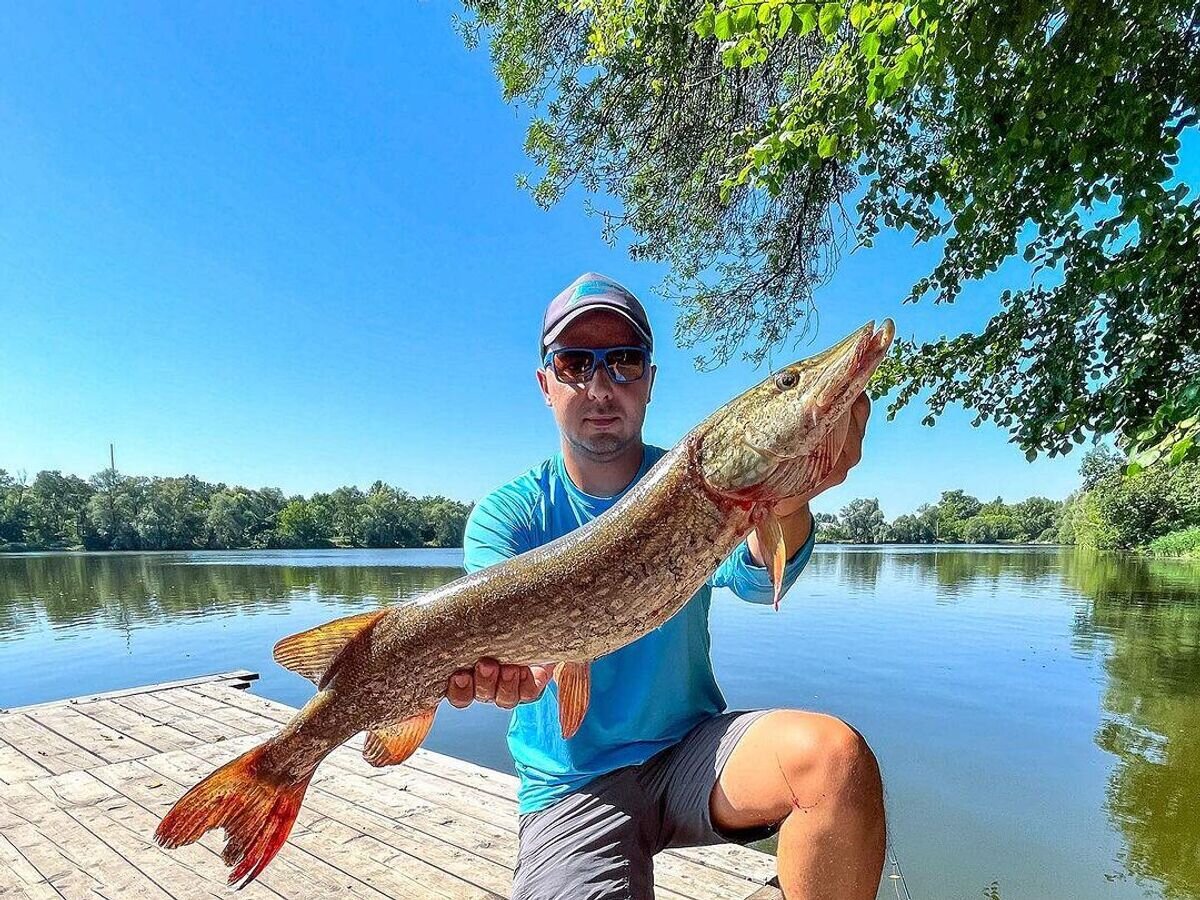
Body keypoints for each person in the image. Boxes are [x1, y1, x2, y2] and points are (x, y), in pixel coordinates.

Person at [449, 273, 885, 900]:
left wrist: (789, 501)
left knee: (834, 763)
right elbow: (494, 652)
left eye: (624, 363)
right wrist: (493, 673)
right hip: (573, 785)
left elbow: (761, 581)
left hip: (693, 755)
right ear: (546, 384)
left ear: (650, 382)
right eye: (576, 363)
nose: (601, 387)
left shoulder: (699, 481)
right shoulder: (507, 515)